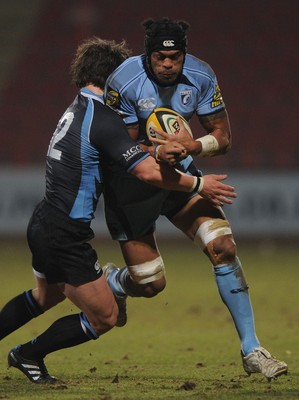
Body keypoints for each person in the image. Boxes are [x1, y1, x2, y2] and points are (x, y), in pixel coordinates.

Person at [1, 37, 236, 384]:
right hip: (65, 234)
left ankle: (26, 353)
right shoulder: (104, 119)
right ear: (112, 79)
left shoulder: (78, 106)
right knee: (105, 316)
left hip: (43, 220)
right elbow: (145, 172)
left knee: (45, 295)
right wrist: (199, 184)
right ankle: (28, 354)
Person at [103, 18, 288, 381]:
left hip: (181, 175)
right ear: (148, 54)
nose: (169, 64)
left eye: (176, 56)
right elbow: (117, 146)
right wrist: (156, 152)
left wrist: (190, 147)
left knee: (223, 247)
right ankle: (114, 282)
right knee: (150, 283)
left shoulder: (201, 76)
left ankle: (252, 349)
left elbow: (224, 137)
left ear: (184, 54)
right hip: (132, 183)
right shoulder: (124, 80)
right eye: (161, 57)